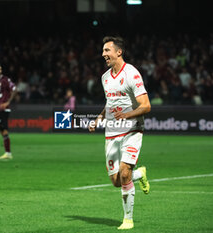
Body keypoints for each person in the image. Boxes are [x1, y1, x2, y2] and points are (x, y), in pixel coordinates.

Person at [89, 36, 151, 230]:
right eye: (103, 51)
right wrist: (99, 118)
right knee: (116, 181)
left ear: (118, 52)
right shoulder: (105, 77)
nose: (103, 54)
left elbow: (146, 106)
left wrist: (128, 115)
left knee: (124, 173)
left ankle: (128, 219)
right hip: (112, 133)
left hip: (133, 130)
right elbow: (111, 102)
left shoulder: (132, 73)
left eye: (107, 50)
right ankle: (140, 173)